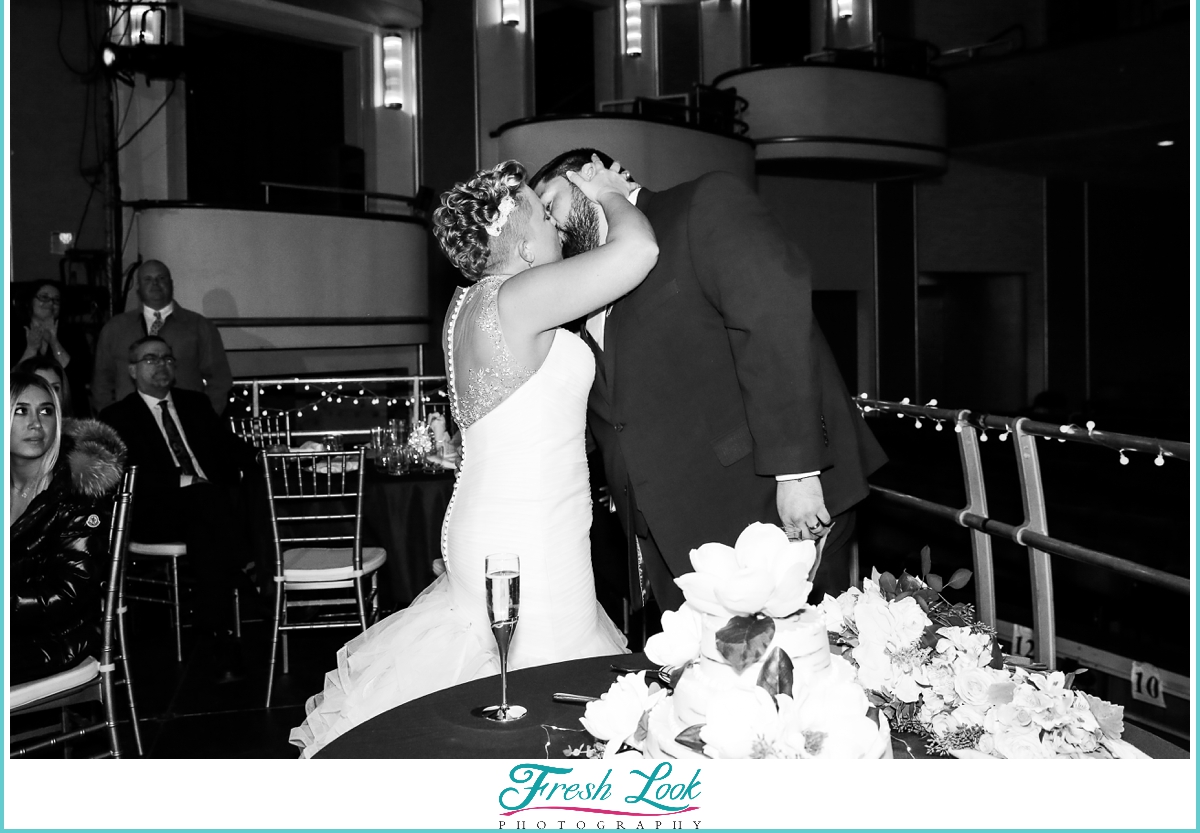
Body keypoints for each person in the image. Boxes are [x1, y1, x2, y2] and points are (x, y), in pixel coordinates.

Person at [289, 156, 655, 758]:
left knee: (504, 685)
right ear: (526, 248)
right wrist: (613, 195)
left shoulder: (467, 306)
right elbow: (637, 252)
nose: (556, 227)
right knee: (550, 691)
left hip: (489, 523)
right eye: (543, 216)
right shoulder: (520, 298)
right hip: (528, 534)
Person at [531, 149, 888, 613]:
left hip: (761, 504)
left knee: (794, 671)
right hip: (666, 528)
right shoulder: (590, 279)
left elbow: (773, 321)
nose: (550, 224)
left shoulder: (700, 204)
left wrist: (797, 474)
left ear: (590, 173)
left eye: (551, 202)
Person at [99, 335, 256, 683]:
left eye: (168, 358)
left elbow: (228, 448)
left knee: (215, 507)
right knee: (207, 499)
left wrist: (264, 456)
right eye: (151, 359)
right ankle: (248, 566)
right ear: (132, 371)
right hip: (156, 511)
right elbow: (124, 475)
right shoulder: (117, 417)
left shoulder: (195, 404)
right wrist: (184, 481)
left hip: (206, 513)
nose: (162, 365)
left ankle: (218, 631)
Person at [10, 370, 127, 685]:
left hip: (57, 637)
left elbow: (69, 593)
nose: (36, 423)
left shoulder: (79, 493)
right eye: (20, 410)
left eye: (46, 411)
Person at [91, 260, 233, 415]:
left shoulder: (199, 326)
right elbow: (101, 381)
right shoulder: (115, 329)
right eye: (148, 279)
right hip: (130, 424)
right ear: (138, 287)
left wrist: (206, 418)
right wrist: (112, 420)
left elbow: (219, 379)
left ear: (171, 284)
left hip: (186, 423)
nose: (155, 284)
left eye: (161, 278)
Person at [11, 280, 91, 416]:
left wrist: (54, 343)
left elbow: (79, 376)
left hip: (69, 411)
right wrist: (31, 349)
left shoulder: (73, 334)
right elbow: (11, 379)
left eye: (56, 300)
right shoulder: (13, 333)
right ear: (29, 301)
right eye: (44, 297)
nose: (50, 303)